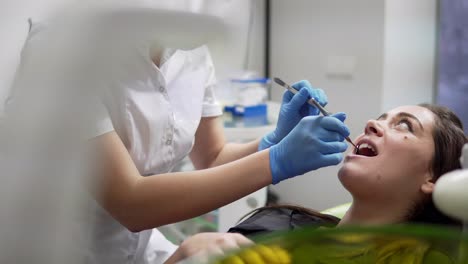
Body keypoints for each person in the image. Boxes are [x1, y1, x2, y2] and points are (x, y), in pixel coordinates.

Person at [230, 103, 467, 238]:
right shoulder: (276, 224)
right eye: (380, 118)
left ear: (433, 178)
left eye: (404, 126)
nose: (371, 124)